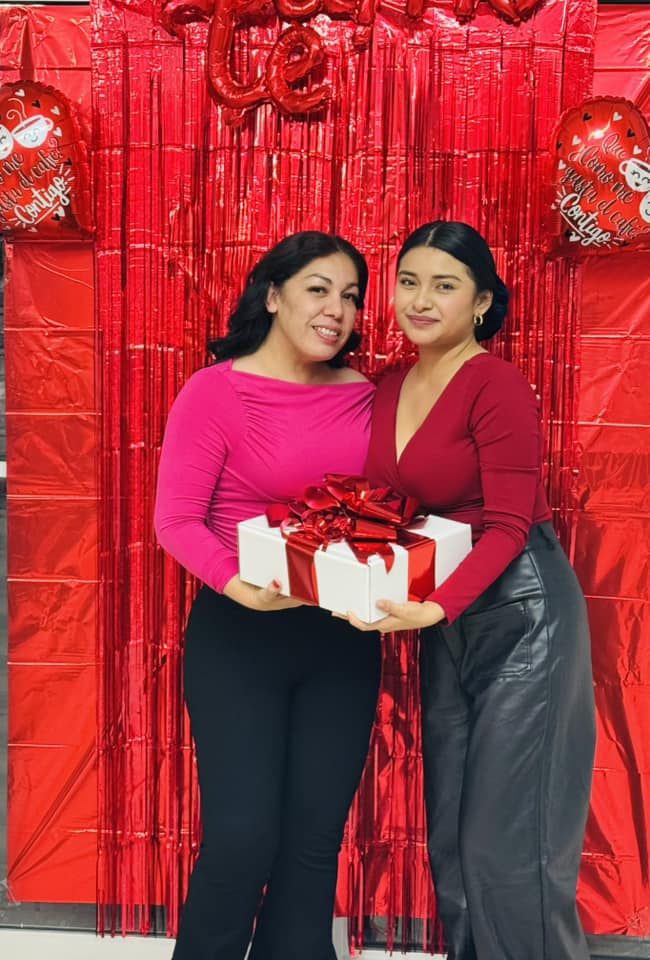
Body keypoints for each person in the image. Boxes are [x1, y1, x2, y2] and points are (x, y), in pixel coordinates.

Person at [348, 221, 596, 960]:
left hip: (523, 615)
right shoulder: (390, 385)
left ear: (482, 301)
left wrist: (435, 605)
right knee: (454, 839)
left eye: (445, 285)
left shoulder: (496, 383)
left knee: (509, 846)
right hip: (444, 617)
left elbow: (511, 522)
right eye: (409, 282)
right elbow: (390, 508)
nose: (421, 300)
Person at [154, 231, 381, 960]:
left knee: (313, 845)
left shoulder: (367, 397)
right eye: (318, 289)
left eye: (350, 296)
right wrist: (238, 587)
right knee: (242, 837)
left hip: (341, 639)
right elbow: (175, 521)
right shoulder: (216, 390)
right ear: (273, 294)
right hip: (240, 636)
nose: (336, 309)